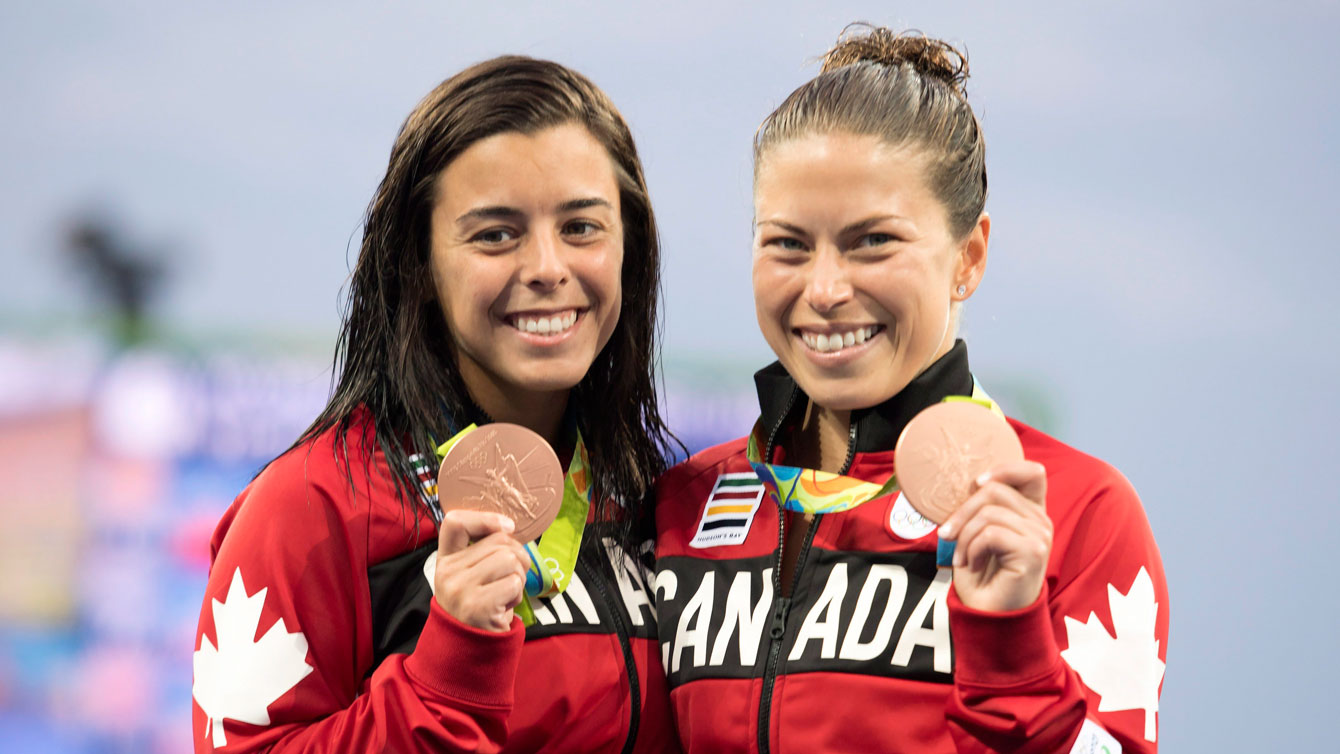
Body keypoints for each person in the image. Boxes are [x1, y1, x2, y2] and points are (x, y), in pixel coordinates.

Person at [653, 25, 1168, 753]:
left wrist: (1010, 649)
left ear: (969, 257)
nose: (825, 289)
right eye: (787, 244)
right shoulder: (681, 504)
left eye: (874, 242)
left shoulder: (1077, 512)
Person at [191, 55, 681, 753]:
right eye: (495, 235)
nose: (548, 267)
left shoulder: (646, 496)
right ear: (418, 267)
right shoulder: (309, 507)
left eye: (581, 227)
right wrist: (446, 671)